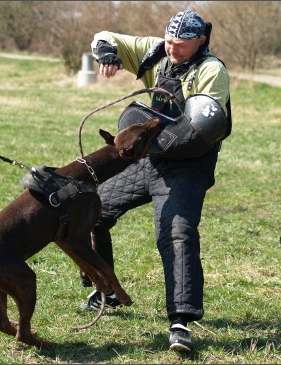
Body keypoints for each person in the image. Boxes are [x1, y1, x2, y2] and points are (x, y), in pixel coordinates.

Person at [79, 9, 232, 352]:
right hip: (150, 158)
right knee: (93, 210)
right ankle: (107, 289)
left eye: (181, 45)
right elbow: (106, 36)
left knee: (176, 233)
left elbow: (199, 131)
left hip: (189, 164)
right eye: (170, 42)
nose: (173, 49)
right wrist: (107, 55)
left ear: (201, 41)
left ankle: (180, 322)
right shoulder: (155, 51)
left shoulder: (212, 71)